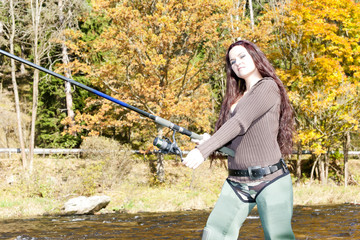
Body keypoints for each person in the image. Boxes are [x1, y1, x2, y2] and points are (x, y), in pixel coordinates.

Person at [182, 40, 295, 240]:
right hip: (237, 182)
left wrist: (204, 150)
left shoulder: (267, 87)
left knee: (279, 237)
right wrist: (216, 142)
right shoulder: (235, 98)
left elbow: (241, 123)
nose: (238, 63)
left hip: (271, 180)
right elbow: (238, 135)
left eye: (242, 56)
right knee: (213, 234)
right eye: (233, 61)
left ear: (255, 56)